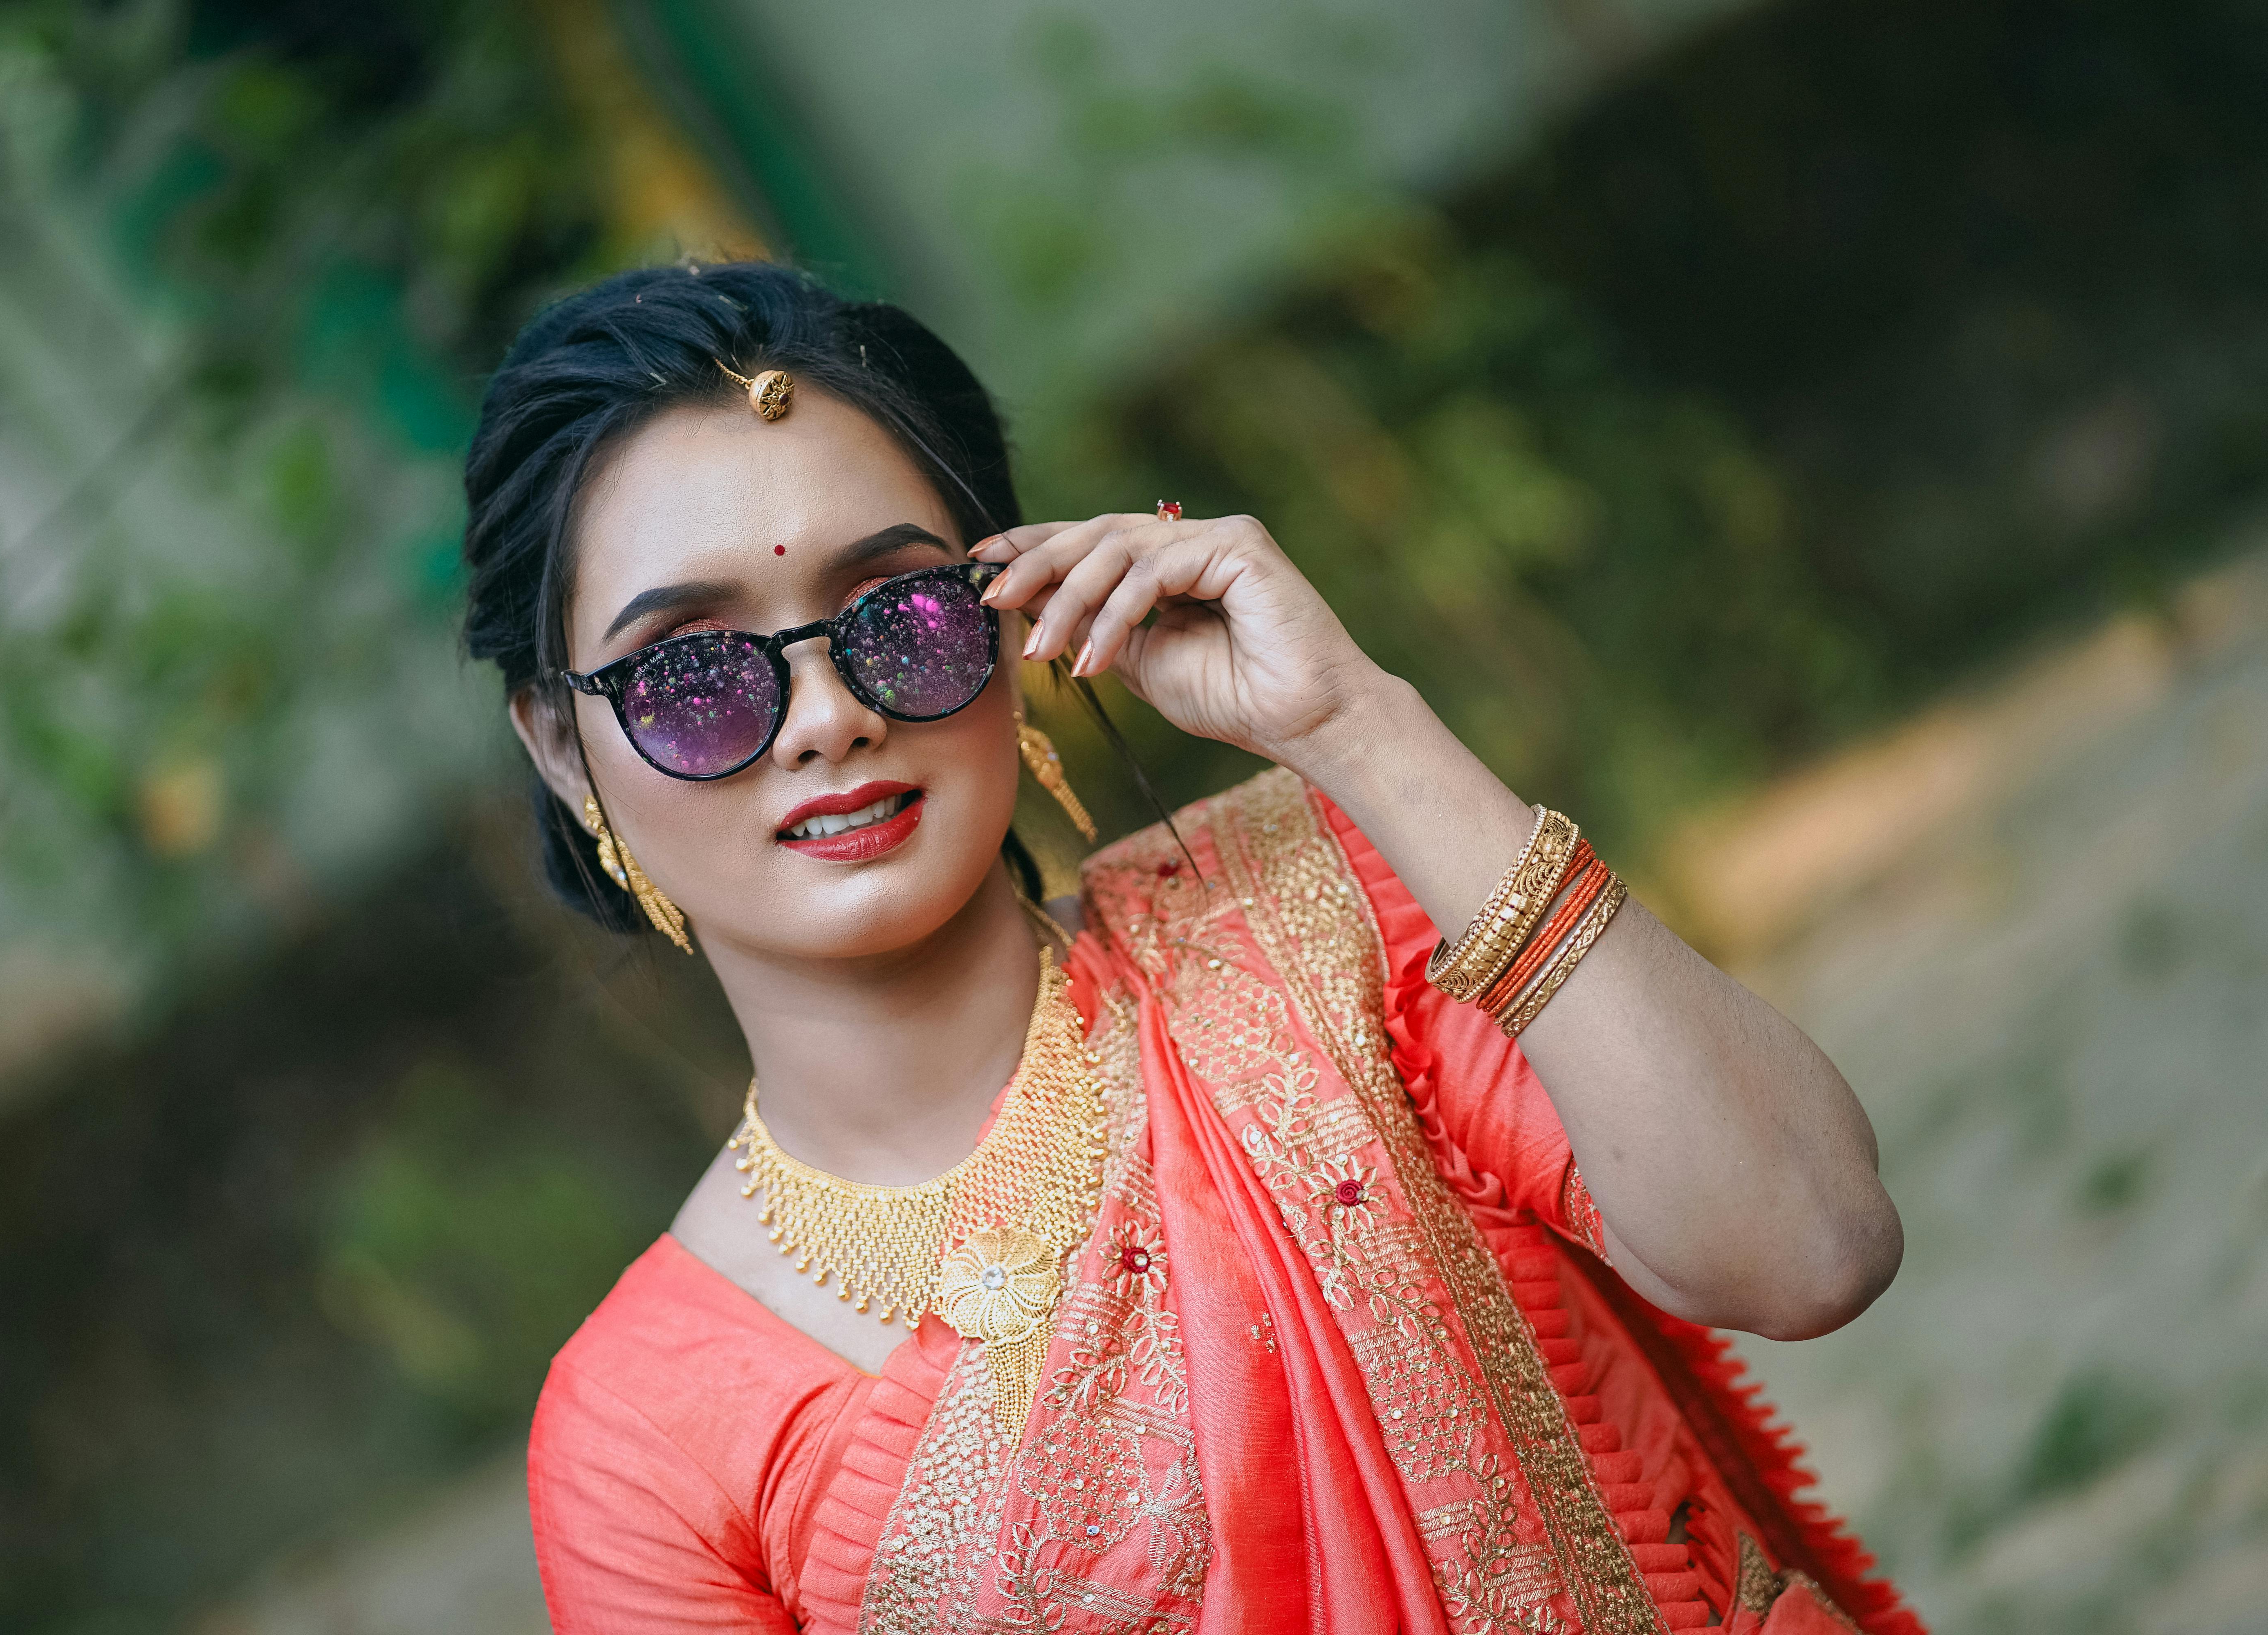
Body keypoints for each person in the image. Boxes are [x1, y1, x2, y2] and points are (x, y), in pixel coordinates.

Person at [461, 262, 1920, 1634]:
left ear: (1021, 607)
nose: (832, 713)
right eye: (695, 673)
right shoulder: (638, 1443)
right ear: (565, 749)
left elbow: (1810, 1246)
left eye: (898, 615)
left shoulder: (1314, 923)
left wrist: (1356, 726)